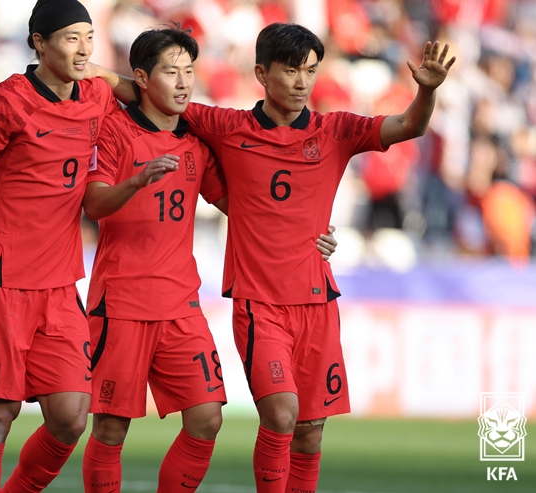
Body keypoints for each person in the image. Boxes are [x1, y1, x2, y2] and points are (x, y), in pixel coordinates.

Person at [94, 22, 455, 493]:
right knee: (282, 414)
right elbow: (154, 91)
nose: (303, 82)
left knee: (309, 432)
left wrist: (425, 93)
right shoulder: (226, 127)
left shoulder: (337, 130)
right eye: (291, 71)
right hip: (258, 305)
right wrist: (83, 67)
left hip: (317, 301)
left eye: (310, 71)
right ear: (262, 74)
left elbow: (411, 125)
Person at [82, 26, 337, 493]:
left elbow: (253, 208)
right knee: (111, 428)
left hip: (182, 305)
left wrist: (313, 235)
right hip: (120, 301)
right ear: (143, 77)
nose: (183, 82)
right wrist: (136, 182)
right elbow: (93, 206)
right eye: (170, 72)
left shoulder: (197, 142)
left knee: (206, 419)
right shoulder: (115, 131)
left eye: (189, 71)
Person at [0, 1, 121, 492]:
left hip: (59, 287)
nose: (83, 47)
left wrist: (94, 65)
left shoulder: (95, 94)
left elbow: (141, 89)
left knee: (72, 417)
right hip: (1, 282)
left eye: (88, 36)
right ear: (39, 42)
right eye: (70, 37)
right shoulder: (4, 101)